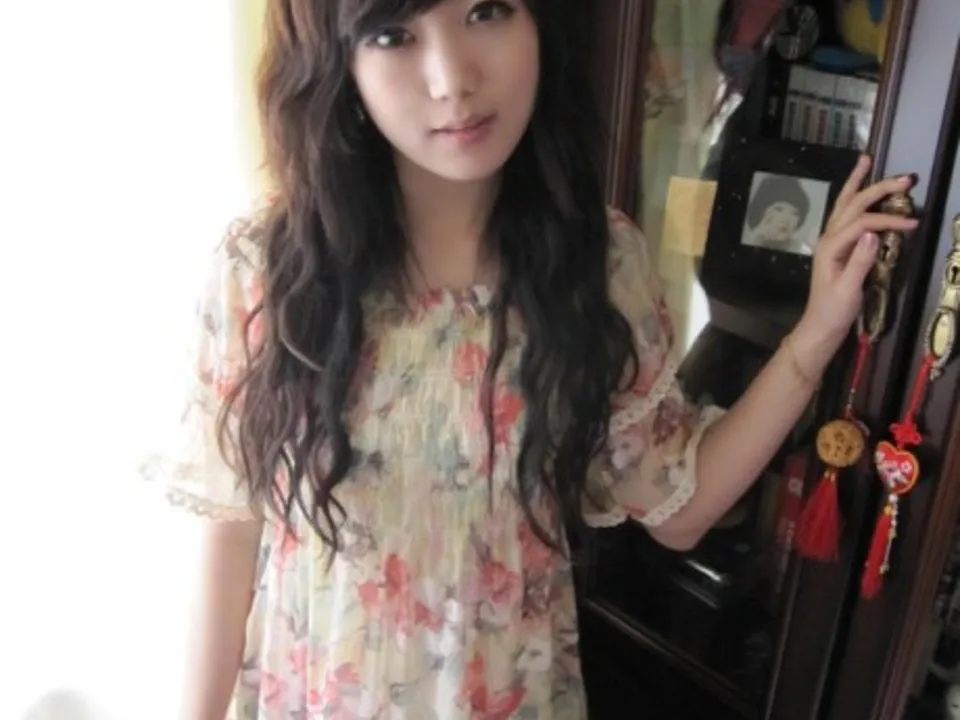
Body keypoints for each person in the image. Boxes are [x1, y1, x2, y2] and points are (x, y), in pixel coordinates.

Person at [143, 0, 918, 717]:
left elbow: (681, 511)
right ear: (339, 63)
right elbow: (231, 534)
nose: (453, 78)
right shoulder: (268, 269)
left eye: (486, 10)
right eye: (393, 33)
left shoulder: (596, 266)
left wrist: (818, 329)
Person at [743, 173, 815, 254]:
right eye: (779, 209)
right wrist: (755, 239)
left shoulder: (804, 251)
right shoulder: (746, 241)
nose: (786, 219)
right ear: (762, 211)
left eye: (794, 213)